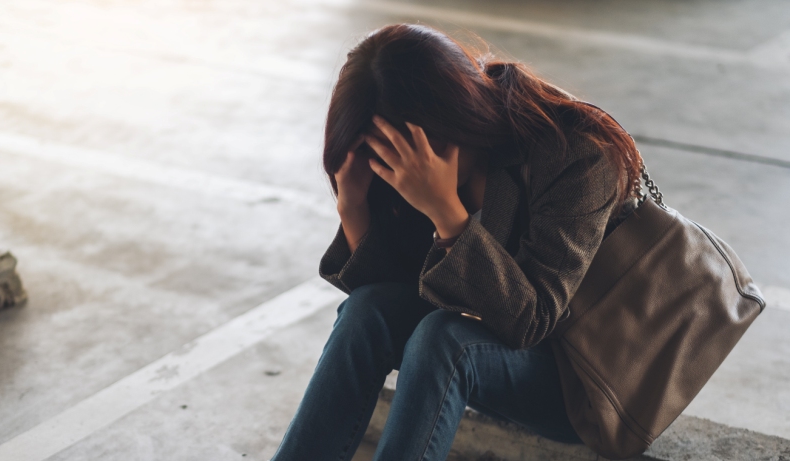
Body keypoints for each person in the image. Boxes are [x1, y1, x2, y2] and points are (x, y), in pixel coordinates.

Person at [271, 23, 642, 461]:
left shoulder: (575, 152)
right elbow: (396, 295)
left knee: (443, 337)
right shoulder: (401, 156)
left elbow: (533, 319)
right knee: (365, 310)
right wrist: (354, 209)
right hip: (480, 355)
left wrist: (447, 213)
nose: (397, 170)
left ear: (455, 119)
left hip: (580, 382)